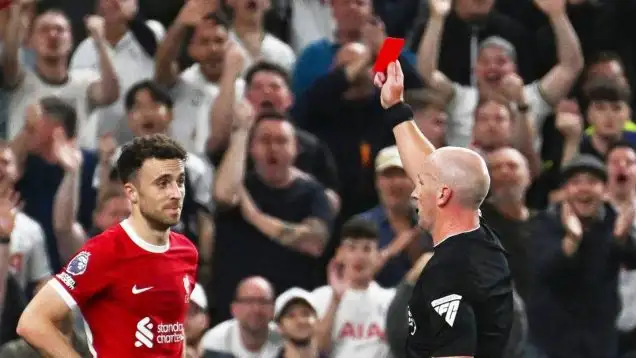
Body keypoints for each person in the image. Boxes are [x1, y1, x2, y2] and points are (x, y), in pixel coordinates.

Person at [374, 61, 513, 357]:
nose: (414, 192)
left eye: (420, 185)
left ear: (443, 195)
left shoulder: (450, 274)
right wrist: (397, 110)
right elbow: (432, 167)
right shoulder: (480, 244)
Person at [15, 134, 199, 357]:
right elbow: (32, 321)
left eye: (179, 181)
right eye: (162, 183)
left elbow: (172, 330)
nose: (175, 193)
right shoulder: (104, 251)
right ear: (132, 192)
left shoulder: (186, 251)